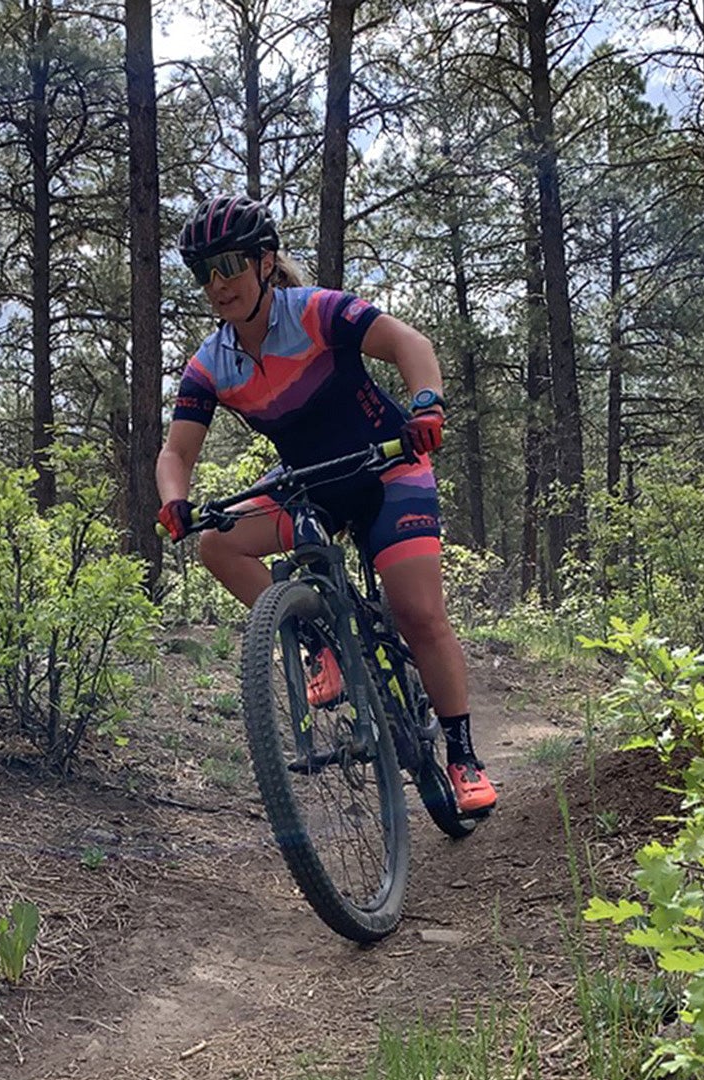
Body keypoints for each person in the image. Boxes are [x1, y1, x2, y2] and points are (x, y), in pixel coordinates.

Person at [153, 195, 496, 817]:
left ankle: (462, 752)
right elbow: (175, 454)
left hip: (389, 465)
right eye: (204, 272)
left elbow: (408, 343)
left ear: (263, 262)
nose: (218, 283)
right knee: (217, 542)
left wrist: (427, 404)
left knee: (417, 612)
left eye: (229, 265)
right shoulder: (210, 365)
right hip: (311, 481)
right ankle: (325, 642)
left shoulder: (315, 312)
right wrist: (174, 501)